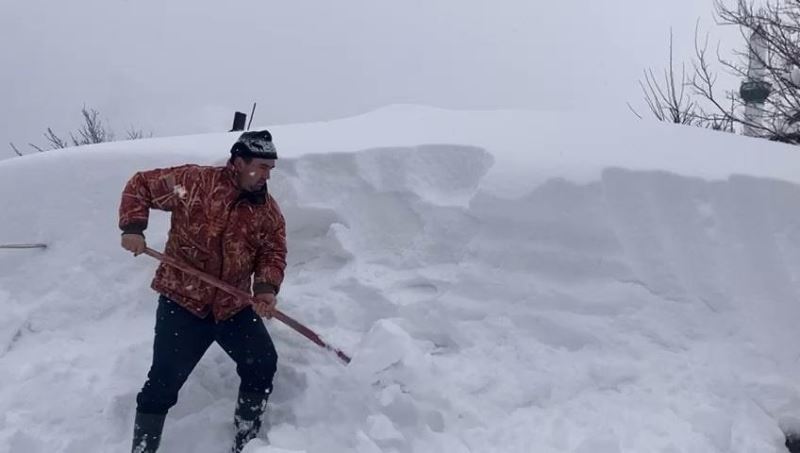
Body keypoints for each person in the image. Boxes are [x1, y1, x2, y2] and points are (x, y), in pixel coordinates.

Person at [118, 130, 287, 453]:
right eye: (262, 167)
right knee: (163, 382)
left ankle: (245, 443)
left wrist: (265, 289)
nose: (267, 175)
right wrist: (133, 228)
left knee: (262, 363)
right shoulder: (192, 185)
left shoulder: (266, 211)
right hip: (183, 303)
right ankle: (143, 449)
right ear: (239, 162)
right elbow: (141, 185)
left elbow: (272, 252)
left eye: (271, 169)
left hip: (233, 306)